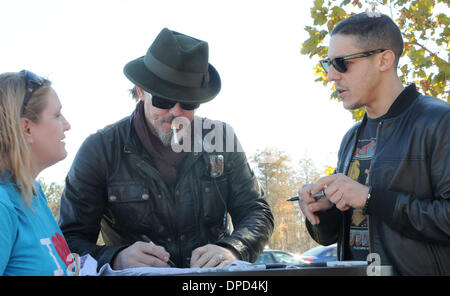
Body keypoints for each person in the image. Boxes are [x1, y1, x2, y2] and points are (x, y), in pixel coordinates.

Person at [59, 28, 274, 269]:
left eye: (189, 103)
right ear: (140, 91)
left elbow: (257, 212)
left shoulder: (221, 138)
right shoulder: (100, 150)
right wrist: (117, 259)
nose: (176, 112)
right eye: (163, 100)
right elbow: (68, 243)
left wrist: (233, 249)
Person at [297, 12, 449, 275]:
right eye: (328, 64)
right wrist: (322, 212)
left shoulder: (439, 122)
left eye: (342, 63)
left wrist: (371, 198)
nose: (332, 75)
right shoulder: (351, 137)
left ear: (384, 60)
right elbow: (339, 234)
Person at [0, 70, 73, 275]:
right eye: (57, 115)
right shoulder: (3, 205)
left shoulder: (34, 192)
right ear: (27, 129)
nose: (67, 125)